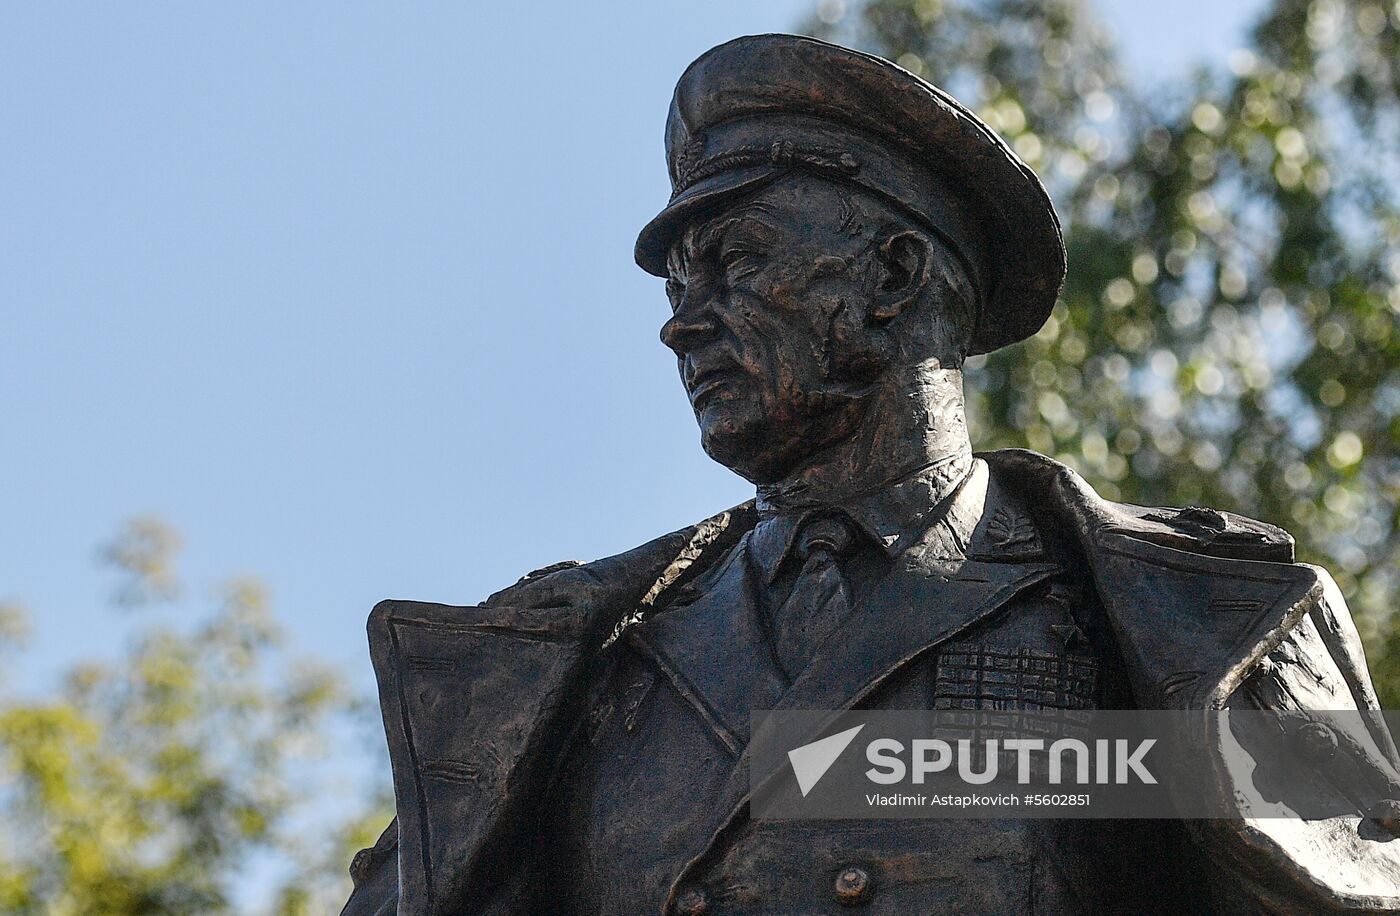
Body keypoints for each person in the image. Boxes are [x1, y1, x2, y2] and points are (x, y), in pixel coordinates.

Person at [343, 35, 1400, 915]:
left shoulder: (1205, 623)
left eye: (738, 258)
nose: (680, 322)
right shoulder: (567, 667)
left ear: (893, 274)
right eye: (677, 278)